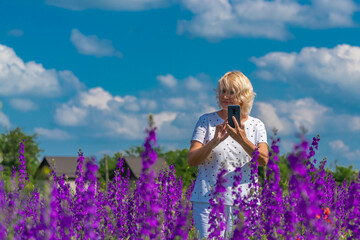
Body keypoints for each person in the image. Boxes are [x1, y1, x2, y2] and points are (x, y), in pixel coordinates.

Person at [188, 71, 269, 239]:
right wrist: (214, 141)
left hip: (245, 202)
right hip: (207, 200)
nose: (225, 96)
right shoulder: (206, 121)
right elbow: (192, 160)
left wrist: (242, 138)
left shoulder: (256, 125)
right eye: (222, 91)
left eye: (231, 92)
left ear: (243, 95)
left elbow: (263, 160)